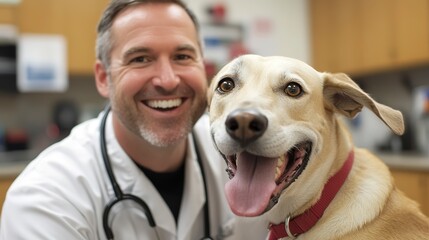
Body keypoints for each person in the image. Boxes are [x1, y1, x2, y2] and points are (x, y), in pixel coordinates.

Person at [0, 0, 268, 239]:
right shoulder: (46, 199)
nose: (167, 79)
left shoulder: (249, 157)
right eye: (141, 59)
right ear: (104, 78)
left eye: (182, 57)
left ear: (203, 66)